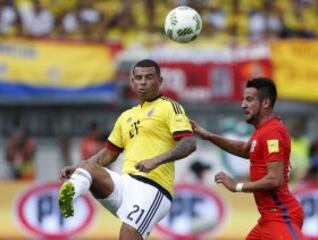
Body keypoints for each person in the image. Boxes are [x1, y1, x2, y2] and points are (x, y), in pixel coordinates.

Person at [58, 59, 196, 240]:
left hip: (153, 188)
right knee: (88, 166)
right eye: (138, 78)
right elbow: (108, 155)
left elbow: (189, 143)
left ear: (160, 81)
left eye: (149, 77)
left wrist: (157, 160)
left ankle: (72, 191)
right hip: (124, 185)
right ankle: (69, 195)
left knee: (127, 234)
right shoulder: (126, 116)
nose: (143, 82)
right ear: (132, 82)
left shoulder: (169, 107)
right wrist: (78, 168)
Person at [191, 78, 304, 239]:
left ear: (265, 103)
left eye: (249, 99)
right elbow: (244, 149)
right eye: (243, 99)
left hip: (281, 216)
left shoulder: (272, 132)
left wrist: (237, 186)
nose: (243, 104)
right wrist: (208, 136)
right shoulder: (263, 130)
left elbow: (275, 179)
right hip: (268, 218)